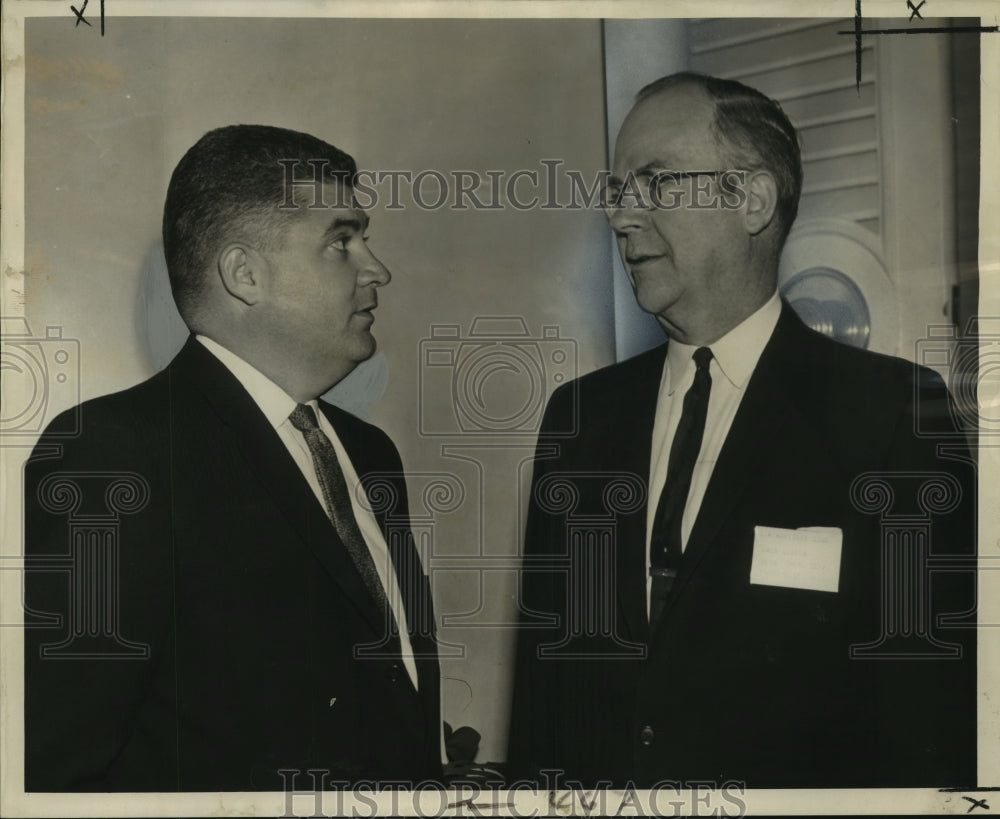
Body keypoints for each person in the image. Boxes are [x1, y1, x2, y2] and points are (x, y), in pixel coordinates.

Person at [508, 72, 977, 789]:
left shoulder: (892, 416)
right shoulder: (578, 422)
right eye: (617, 190)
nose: (622, 216)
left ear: (751, 201)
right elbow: (541, 709)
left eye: (656, 182)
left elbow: (932, 721)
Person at [24, 125, 441, 791]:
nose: (376, 267)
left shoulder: (370, 455)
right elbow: (49, 773)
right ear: (245, 274)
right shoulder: (114, 456)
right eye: (341, 239)